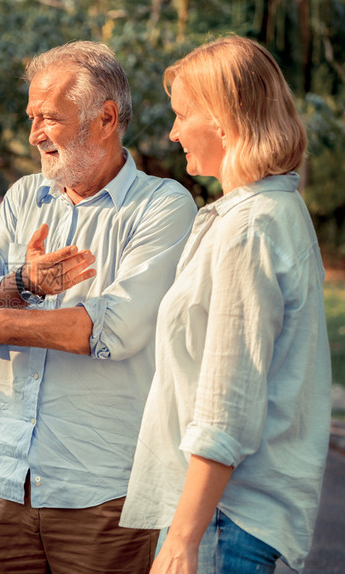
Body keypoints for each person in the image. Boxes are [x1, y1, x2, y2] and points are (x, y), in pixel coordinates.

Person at [0, 41, 197, 573]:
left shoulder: (164, 205)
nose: (34, 134)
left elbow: (113, 330)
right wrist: (22, 282)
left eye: (50, 118)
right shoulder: (24, 197)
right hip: (5, 477)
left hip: (102, 490)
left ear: (106, 119)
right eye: (32, 118)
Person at [118, 36, 332, 574]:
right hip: (223, 513)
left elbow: (227, 402)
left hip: (220, 516)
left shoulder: (252, 227)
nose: (172, 131)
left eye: (182, 114)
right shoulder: (267, 210)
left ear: (224, 119)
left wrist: (183, 537)